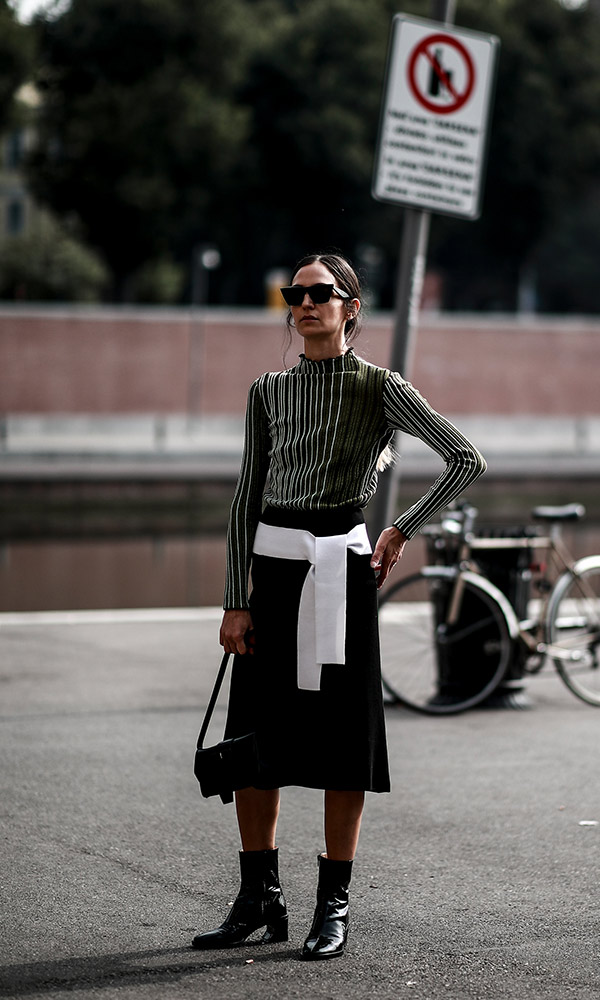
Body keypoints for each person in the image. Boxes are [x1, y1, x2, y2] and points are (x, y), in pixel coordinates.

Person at [192, 252, 486, 960]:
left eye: (320, 293)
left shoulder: (377, 386)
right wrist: (236, 600)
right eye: (294, 293)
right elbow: (244, 496)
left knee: (340, 743)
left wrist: (401, 526)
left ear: (350, 307)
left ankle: (334, 904)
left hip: (340, 572)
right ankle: (258, 898)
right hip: (272, 573)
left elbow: (464, 458)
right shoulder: (266, 390)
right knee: (256, 737)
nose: (304, 303)